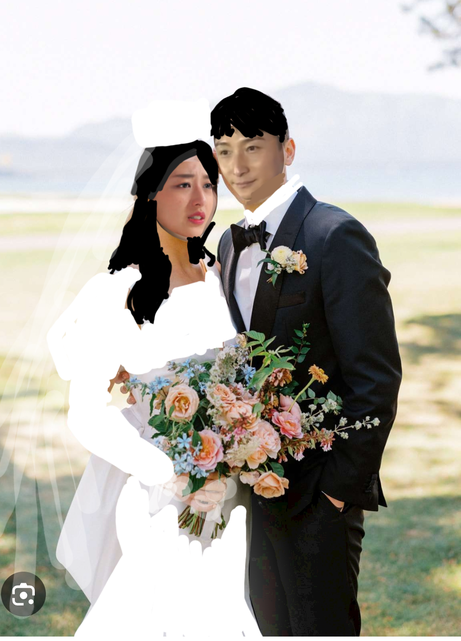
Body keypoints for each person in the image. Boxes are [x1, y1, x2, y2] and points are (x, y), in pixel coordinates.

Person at [51, 101, 261, 637]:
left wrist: (234, 458)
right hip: (159, 502)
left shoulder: (222, 277)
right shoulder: (118, 291)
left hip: (229, 499)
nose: (200, 199)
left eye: (208, 184)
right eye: (182, 184)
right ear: (150, 194)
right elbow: (87, 415)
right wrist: (175, 475)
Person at [211, 87, 403, 636]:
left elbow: (376, 377)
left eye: (253, 146)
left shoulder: (333, 234)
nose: (237, 166)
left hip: (320, 495)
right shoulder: (228, 246)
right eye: (224, 150)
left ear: (287, 149)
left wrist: (337, 491)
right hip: (252, 494)